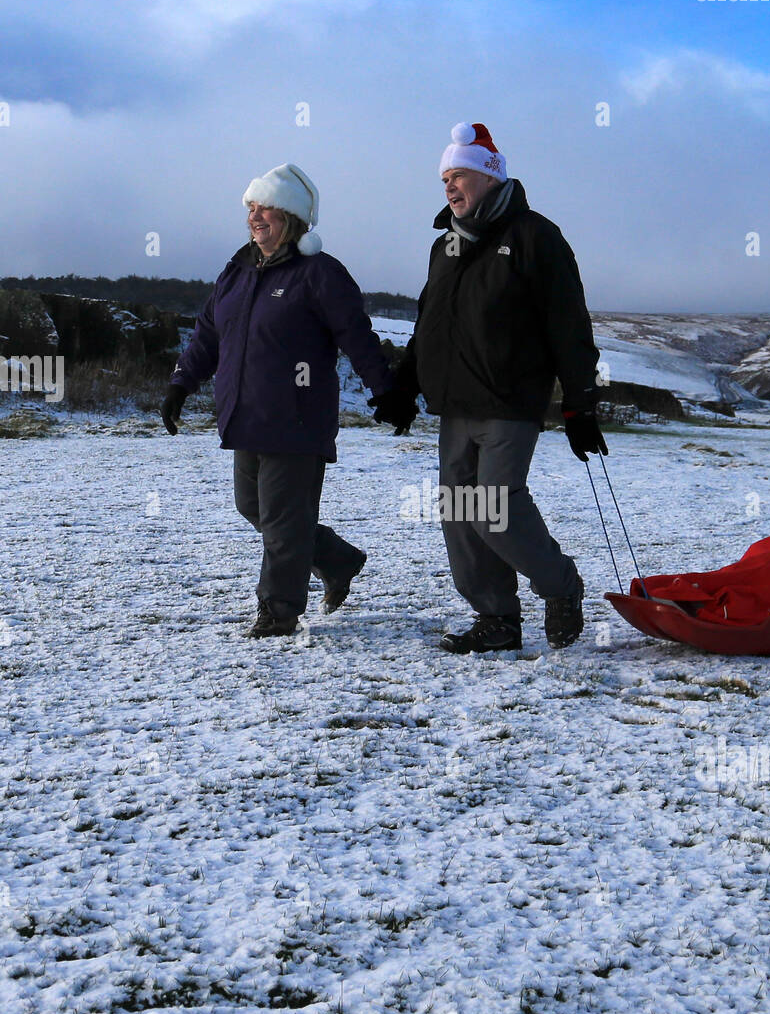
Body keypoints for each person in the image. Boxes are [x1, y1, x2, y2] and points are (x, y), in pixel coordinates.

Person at [371, 122, 606, 654]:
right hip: (454, 405)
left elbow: (568, 326)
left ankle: (561, 584)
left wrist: (580, 404)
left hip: (508, 399)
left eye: (459, 176)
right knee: (459, 512)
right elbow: (429, 323)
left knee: (493, 508)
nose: (450, 187)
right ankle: (497, 618)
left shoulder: (534, 236)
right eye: (444, 179)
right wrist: (405, 387)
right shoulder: (446, 246)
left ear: (489, 176)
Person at [160, 162, 412, 637]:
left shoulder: (318, 273)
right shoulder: (237, 271)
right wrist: (181, 383)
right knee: (253, 507)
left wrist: (385, 390)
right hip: (245, 414)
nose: (255, 217)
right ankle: (336, 560)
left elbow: (356, 335)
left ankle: (278, 612)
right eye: (251, 208)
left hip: (296, 418)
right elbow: (207, 335)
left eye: (267, 209)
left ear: (291, 218)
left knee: (280, 520)